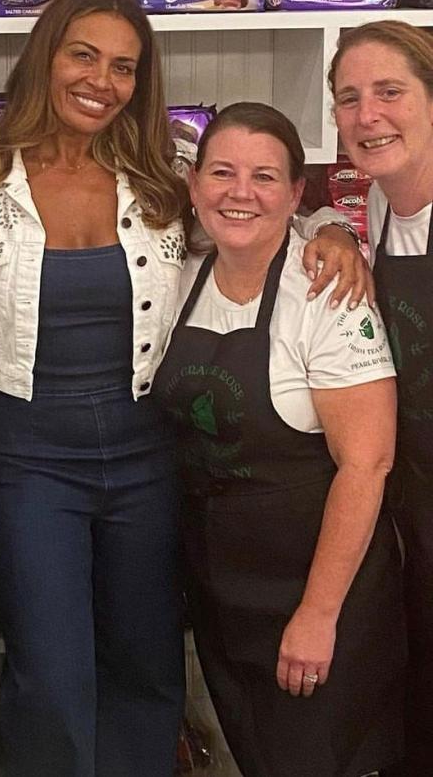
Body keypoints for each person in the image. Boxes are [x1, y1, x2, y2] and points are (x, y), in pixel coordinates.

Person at [0, 0, 369, 777]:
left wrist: (333, 227)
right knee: (50, 673)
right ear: (46, 57)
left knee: (147, 666)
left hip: (148, 456)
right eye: (85, 56)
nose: (103, 81)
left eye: (125, 67)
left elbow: (256, 215)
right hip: (28, 458)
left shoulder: (163, 177)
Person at [152, 101, 405, 777]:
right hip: (222, 592)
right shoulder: (178, 281)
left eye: (265, 177)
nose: (241, 193)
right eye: (223, 173)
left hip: (315, 591)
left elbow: (366, 465)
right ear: (194, 185)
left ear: (296, 193)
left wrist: (318, 615)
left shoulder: (326, 292)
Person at [328, 19, 433, 777]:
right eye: (349, 98)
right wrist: (332, 228)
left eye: (390, 92)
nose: (369, 116)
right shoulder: (381, 211)